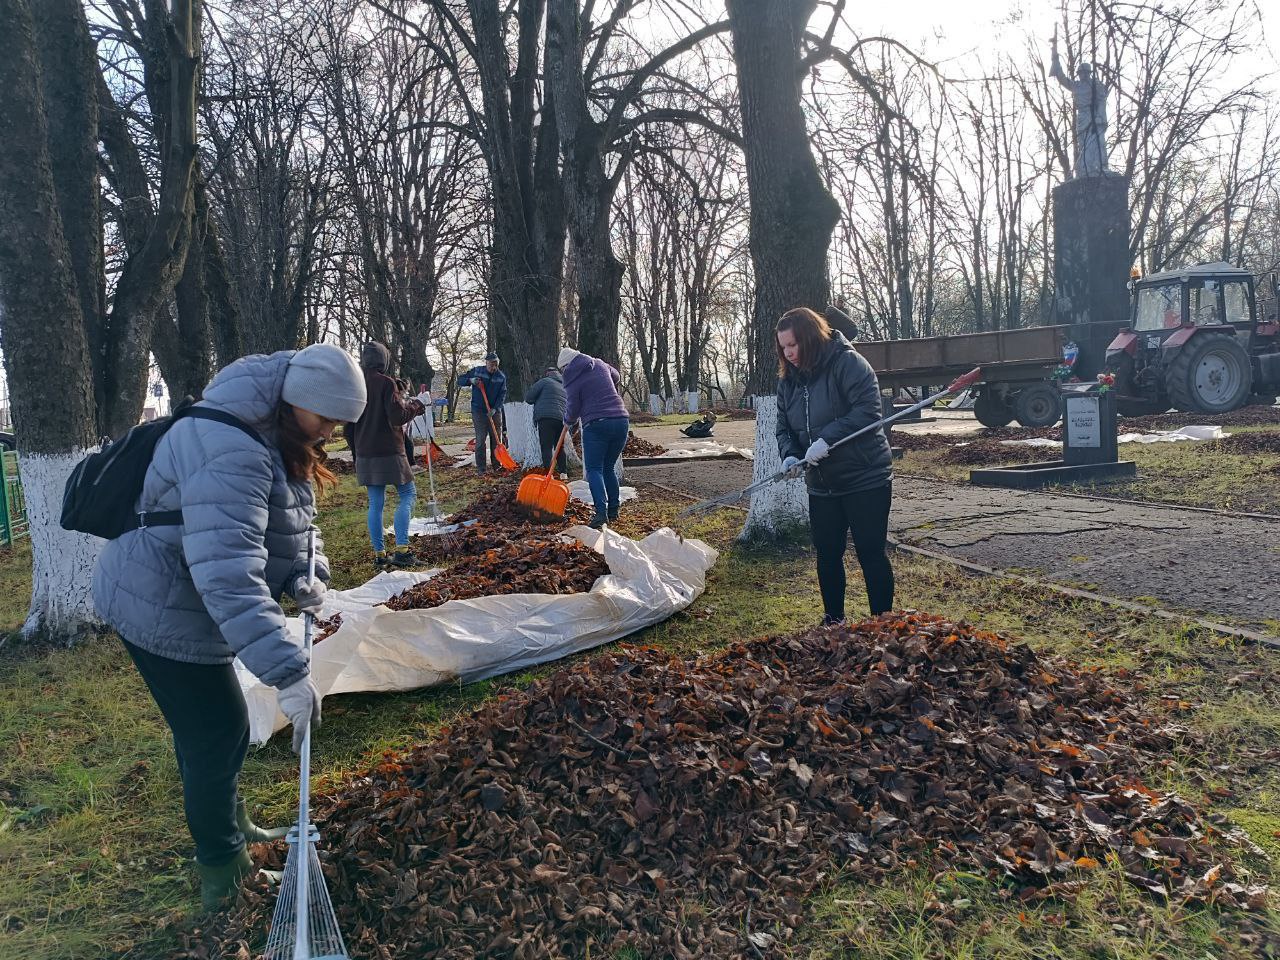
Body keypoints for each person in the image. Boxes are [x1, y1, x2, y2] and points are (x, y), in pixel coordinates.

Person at [92, 343, 367, 911]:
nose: (331, 431)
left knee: (220, 728)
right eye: (327, 417)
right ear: (294, 401)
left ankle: (234, 825)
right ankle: (223, 870)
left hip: (185, 597)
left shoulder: (271, 433)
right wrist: (288, 672)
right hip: (157, 602)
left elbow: (287, 527)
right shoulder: (231, 447)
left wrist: (304, 575)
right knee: (214, 731)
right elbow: (228, 575)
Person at [775, 307, 894, 624]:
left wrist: (828, 439)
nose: (788, 354)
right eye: (783, 347)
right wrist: (790, 453)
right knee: (827, 553)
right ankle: (834, 620)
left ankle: (882, 624)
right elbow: (783, 428)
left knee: (870, 553)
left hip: (864, 476)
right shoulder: (789, 382)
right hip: (822, 483)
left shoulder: (848, 363)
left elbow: (869, 411)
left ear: (811, 338)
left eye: (793, 345)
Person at [350, 342, 425, 568]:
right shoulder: (385, 383)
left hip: (364, 452)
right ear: (384, 360)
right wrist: (415, 407)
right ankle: (402, 550)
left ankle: (380, 555)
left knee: (375, 503)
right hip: (389, 451)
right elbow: (396, 417)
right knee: (408, 494)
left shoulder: (355, 384)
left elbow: (347, 425)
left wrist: (357, 452)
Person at [559, 346, 629, 528]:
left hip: (596, 423)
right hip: (621, 420)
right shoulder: (598, 363)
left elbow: (573, 407)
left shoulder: (571, 377)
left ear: (565, 366)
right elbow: (616, 377)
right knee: (608, 467)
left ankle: (601, 513)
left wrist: (568, 421)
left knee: (594, 469)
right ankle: (614, 509)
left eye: (561, 370)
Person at [458, 352, 507, 474]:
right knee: (480, 440)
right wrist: (471, 380)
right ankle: (481, 469)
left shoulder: (501, 377)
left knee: (496, 439)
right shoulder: (477, 372)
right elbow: (460, 380)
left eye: (495, 364)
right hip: (479, 410)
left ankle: (497, 465)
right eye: (491, 364)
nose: (493, 367)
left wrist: (495, 408)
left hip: (494, 411)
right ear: (486, 363)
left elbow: (502, 395)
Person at [525, 365, 569, 477]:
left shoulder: (544, 381)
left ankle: (549, 474)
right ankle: (564, 473)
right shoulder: (565, 386)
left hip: (546, 418)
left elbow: (529, 398)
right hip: (561, 420)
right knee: (559, 447)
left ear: (547, 373)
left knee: (546, 447)